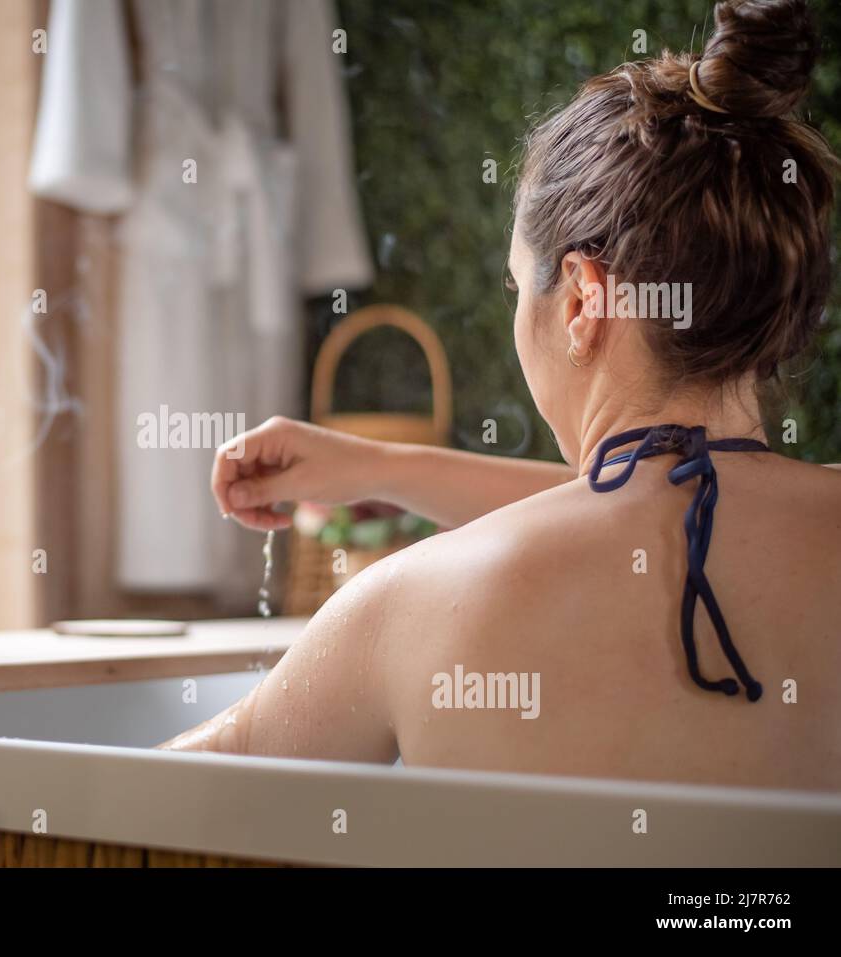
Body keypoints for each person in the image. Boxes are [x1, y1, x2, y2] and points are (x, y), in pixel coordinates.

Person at [162, 0, 841, 791]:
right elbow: (658, 499)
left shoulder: (408, 605)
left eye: (519, 285)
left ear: (584, 301)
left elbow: (167, 801)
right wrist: (377, 464)